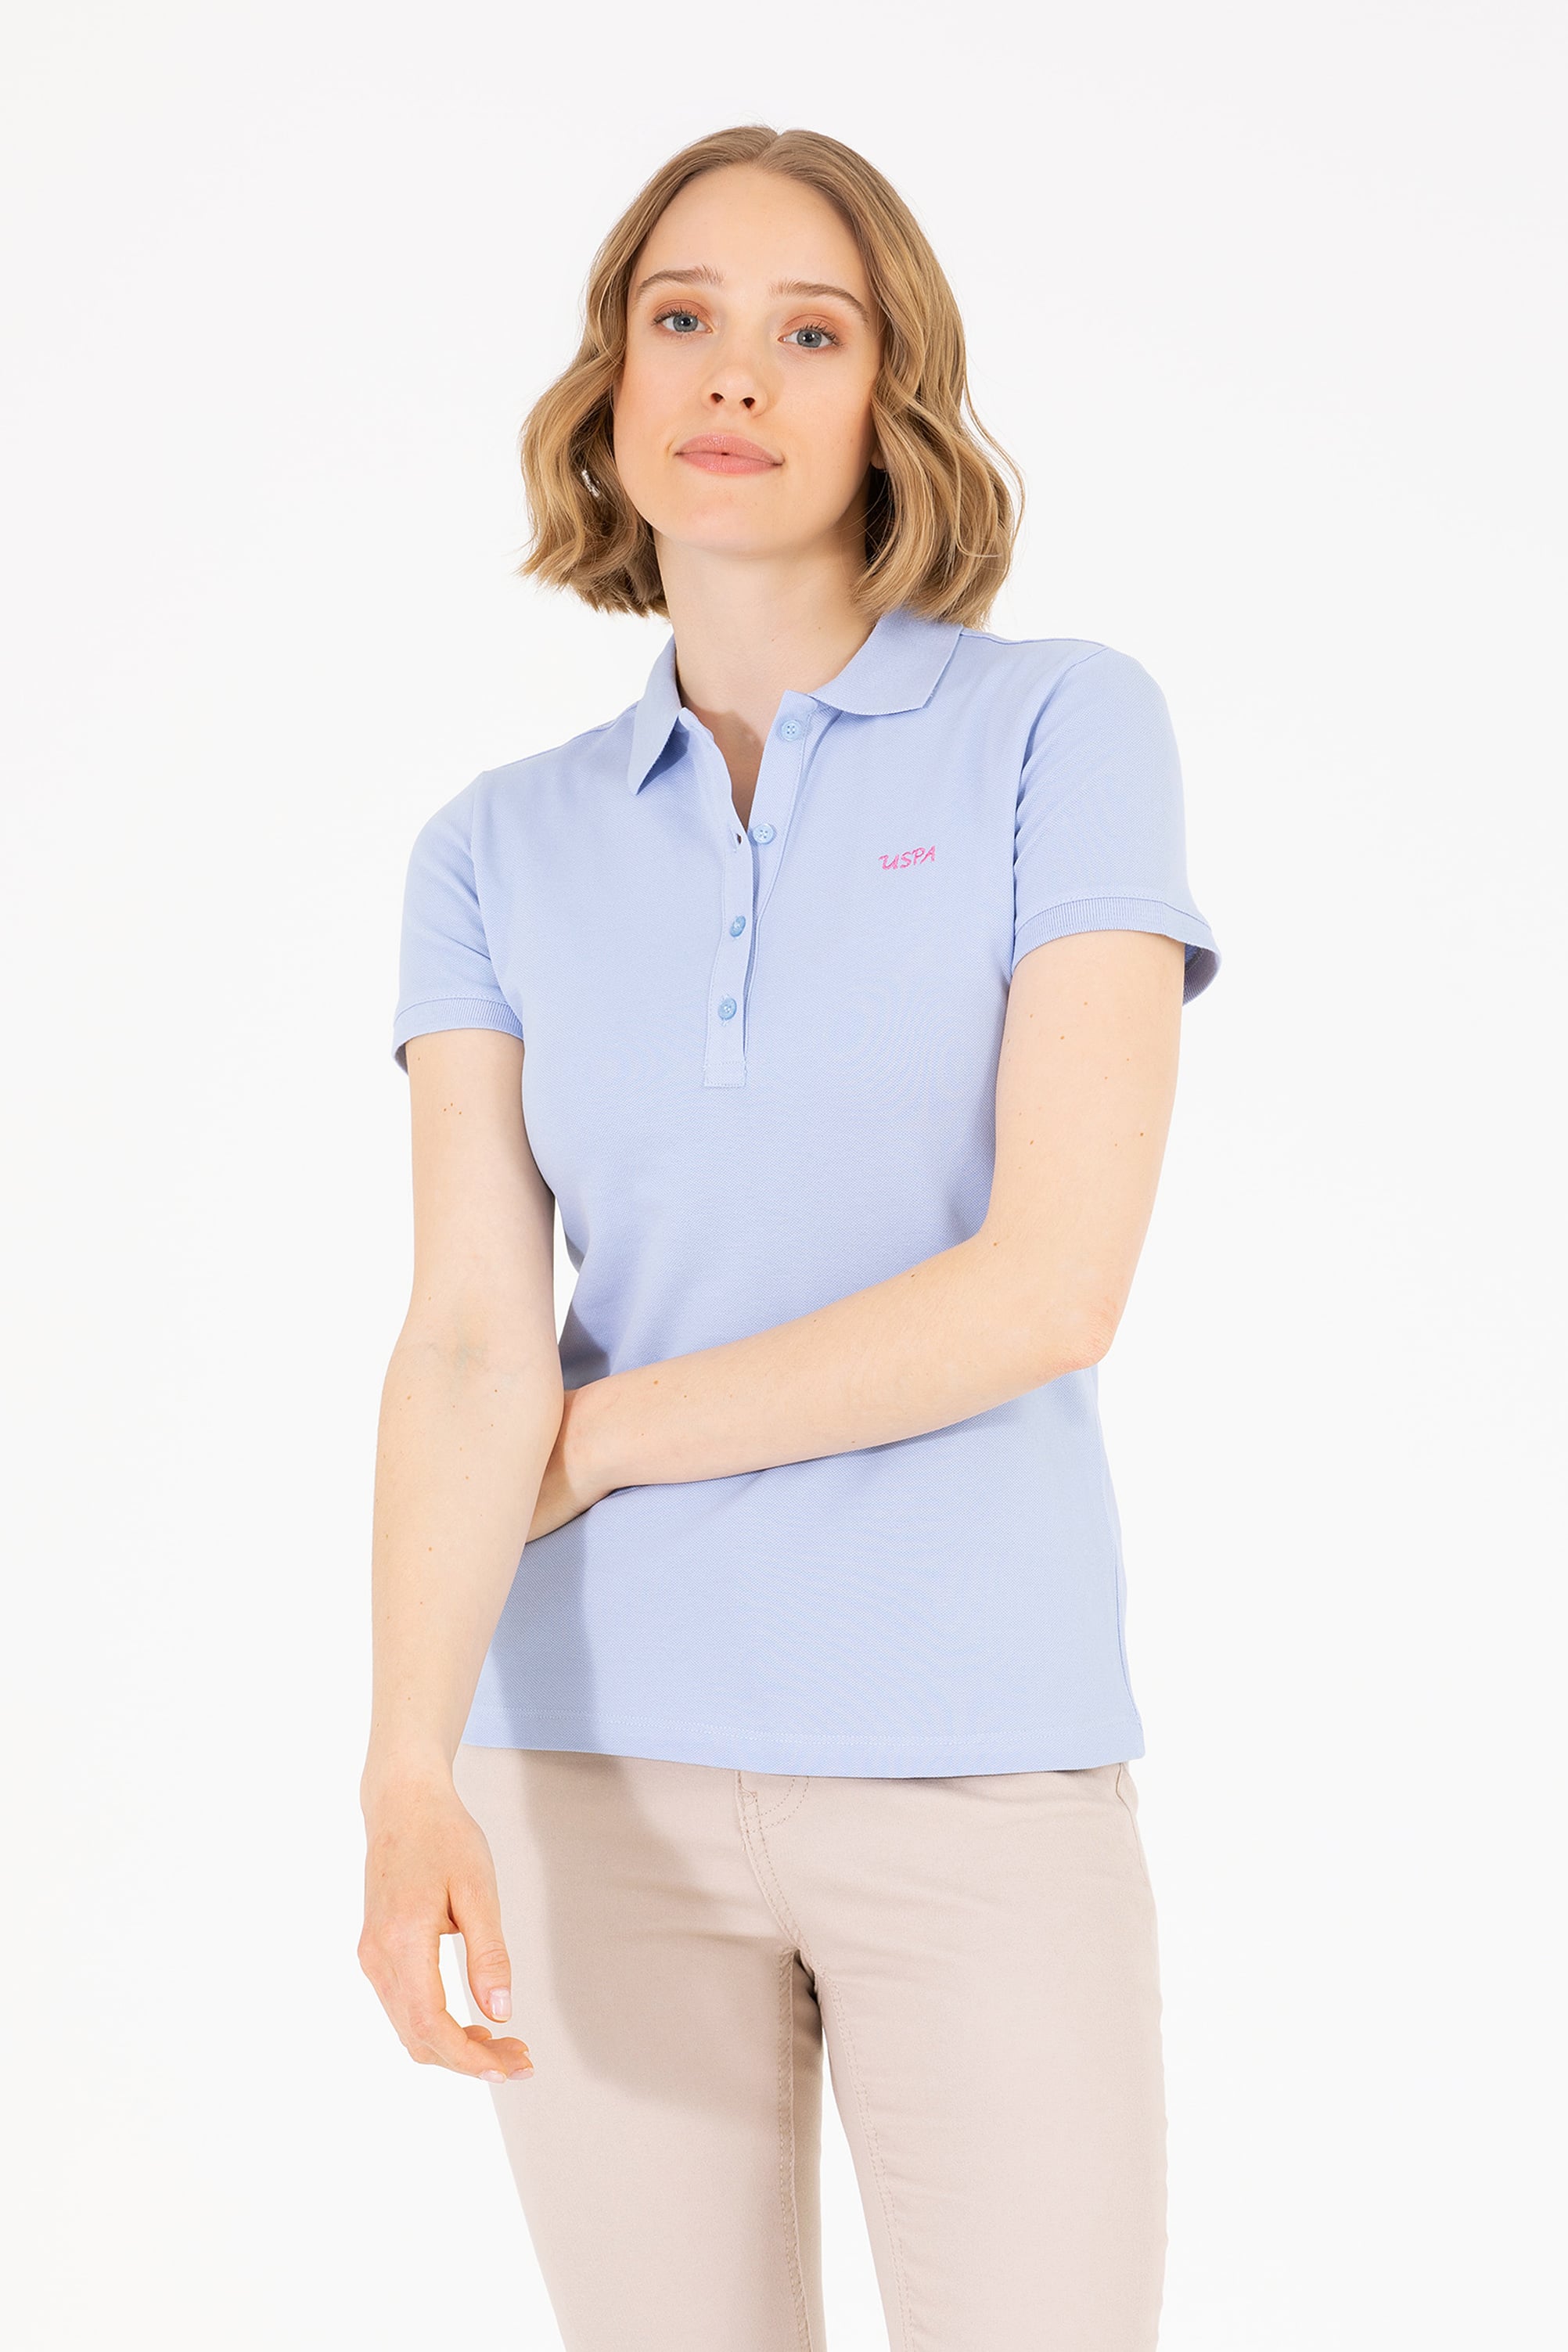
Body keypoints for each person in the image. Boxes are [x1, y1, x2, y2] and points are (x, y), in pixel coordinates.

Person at [358, 121, 1222, 2352]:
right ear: (613, 380)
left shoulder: (1060, 729)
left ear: (889, 398)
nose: (733, 373)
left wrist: (602, 1441)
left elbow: (1052, 1284)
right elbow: (467, 1343)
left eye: (808, 331)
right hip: (587, 1772)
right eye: (683, 317)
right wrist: (403, 1772)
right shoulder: (493, 847)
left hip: (974, 1757)